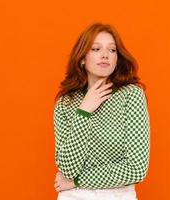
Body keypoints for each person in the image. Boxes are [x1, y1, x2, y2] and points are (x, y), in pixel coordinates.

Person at [53, 22, 151, 200]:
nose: (105, 55)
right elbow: (67, 168)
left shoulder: (131, 96)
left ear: (117, 59)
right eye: (96, 49)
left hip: (118, 196)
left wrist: (78, 180)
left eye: (112, 50)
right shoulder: (65, 104)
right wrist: (84, 111)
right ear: (82, 58)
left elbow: (136, 169)